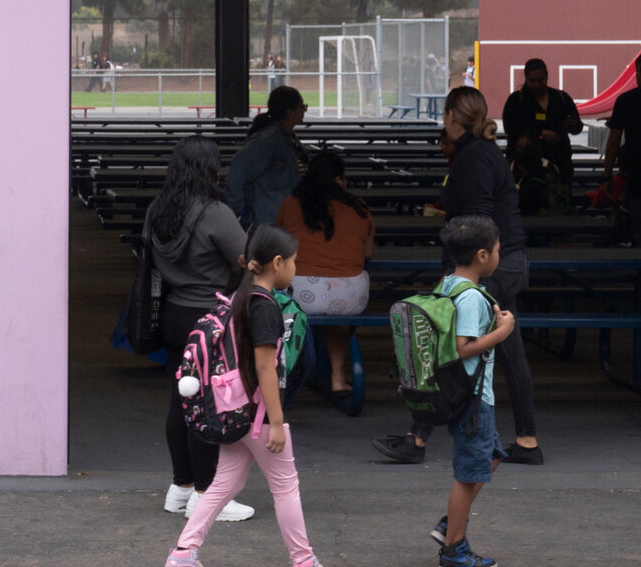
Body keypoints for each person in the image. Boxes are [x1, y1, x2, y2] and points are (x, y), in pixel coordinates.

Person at [161, 224, 347, 567]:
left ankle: (184, 555)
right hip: (257, 416)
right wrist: (276, 422)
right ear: (277, 263)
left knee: (224, 484)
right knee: (285, 487)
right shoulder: (265, 308)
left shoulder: (237, 299)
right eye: (294, 262)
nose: (296, 268)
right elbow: (266, 368)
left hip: (233, 411)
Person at [378, 87, 542, 465]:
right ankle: (527, 440)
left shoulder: (473, 157)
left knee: (443, 344)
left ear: (451, 117)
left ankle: (417, 439)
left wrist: (464, 274)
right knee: (510, 351)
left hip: (487, 264)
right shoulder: (481, 153)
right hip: (506, 261)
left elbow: (480, 217)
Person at [143, 138, 255, 524]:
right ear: (209, 169)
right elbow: (246, 259)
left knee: (181, 399)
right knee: (207, 405)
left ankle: (182, 487)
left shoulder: (158, 210)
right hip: (210, 320)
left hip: (173, 314)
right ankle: (208, 494)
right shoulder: (215, 212)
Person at [426, 215, 517, 567]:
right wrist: (503, 330)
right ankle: (454, 550)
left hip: (466, 394)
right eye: (497, 250)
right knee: (468, 473)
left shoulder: (447, 284)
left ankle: (451, 524)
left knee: (492, 454)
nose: (499, 255)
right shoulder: (472, 298)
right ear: (482, 255)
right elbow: (464, 348)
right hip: (472, 396)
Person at [276, 151, 374, 410]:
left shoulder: (289, 205)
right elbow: (368, 253)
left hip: (301, 293)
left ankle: (284, 375)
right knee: (336, 315)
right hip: (351, 296)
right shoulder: (359, 208)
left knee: (280, 298)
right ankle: (338, 379)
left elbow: (278, 249)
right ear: (340, 180)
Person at [602, 51, 641, 245]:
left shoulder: (626, 100)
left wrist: (607, 174)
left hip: (639, 176)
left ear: (639, 72)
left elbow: (613, 142)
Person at [224, 86, 307, 228]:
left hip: (283, 219)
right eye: (302, 107)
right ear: (289, 112)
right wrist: (234, 213)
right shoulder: (268, 140)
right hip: (267, 221)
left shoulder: (288, 137)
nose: (304, 110)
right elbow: (238, 172)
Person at [501, 59, 582, 193]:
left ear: (547, 76)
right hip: (526, 165)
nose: (537, 84)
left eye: (541, 80)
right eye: (532, 81)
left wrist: (574, 125)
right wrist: (540, 134)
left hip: (559, 161)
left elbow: (577, 127)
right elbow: (510, 129)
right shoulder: (516, 100)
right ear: (526, 79)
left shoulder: (561, 98)